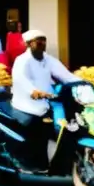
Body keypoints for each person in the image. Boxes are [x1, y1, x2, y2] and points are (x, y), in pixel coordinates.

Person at [9, 29, 77, 171]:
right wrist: (33, 91)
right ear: (29, 44)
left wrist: (82, 81)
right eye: (38, 40)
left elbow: (65, 75)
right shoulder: (22, 60)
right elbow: (21, 80)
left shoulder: (48, 59)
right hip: (27, 102)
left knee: (62, 123)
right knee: (36, 126)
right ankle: (29, 160)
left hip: (47, 100)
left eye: (44, 40)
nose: (42, 43)